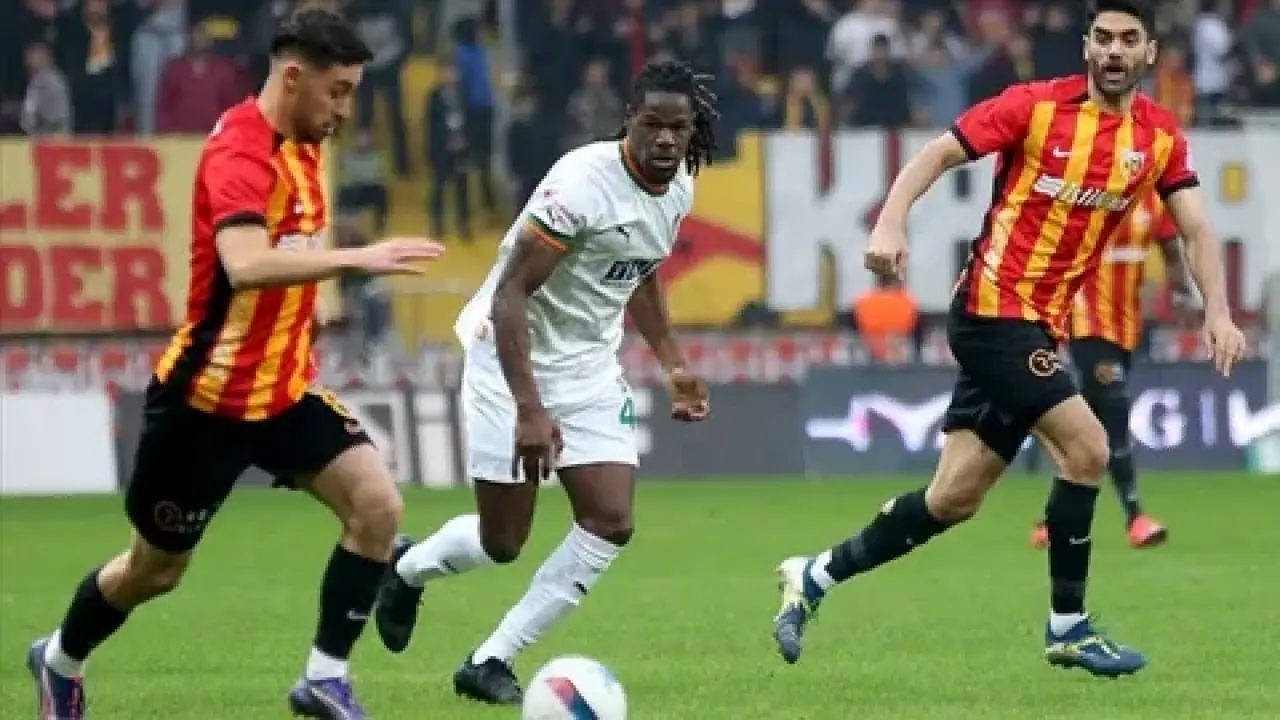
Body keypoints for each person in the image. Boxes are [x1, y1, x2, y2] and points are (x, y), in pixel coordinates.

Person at [771, 0, 1246, 678]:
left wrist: (1217, 312)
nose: (1114, 50)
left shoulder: (1159, 136)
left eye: (1128, 39)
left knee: (953, 498)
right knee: (1088, 447)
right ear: (1086, 46)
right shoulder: (1035, 107)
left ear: (1149, 52)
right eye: (1103, 37)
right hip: (991, 310)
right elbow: (938, 152)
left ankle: (813, 575)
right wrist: (890, 221)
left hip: (1039, 324)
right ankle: (1069, 627)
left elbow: (1196, 228)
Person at [25, 10, 444, 720]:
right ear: (293, 76)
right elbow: (245, 264)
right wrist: (357, 258)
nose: (344, 110)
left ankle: (324, 679)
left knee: (377, 507)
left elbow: (291, 251)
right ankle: (60, 659)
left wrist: (316, 303)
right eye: (338, 91)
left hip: (280, 391)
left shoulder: (307, 145)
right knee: (155, 570)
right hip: (206, 401)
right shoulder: (240, 152)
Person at [374, 59, 718, 706]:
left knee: (611, 520)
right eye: (653, 124)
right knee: (502, 542)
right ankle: (406, 569)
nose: (666, 139)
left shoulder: (679, 186)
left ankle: (490, 658)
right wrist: (529, 409)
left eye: (679, 127)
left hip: (589, 367)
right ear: (628, 120)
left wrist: (673, 362)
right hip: (510, 358)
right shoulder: (581, 186)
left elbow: (640, 268)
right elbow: (511, 293)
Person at [1029, 191, 1191, 550]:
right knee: (1115, 409)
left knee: (1089, 429)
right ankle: (1136, 518)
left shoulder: (1152, 202)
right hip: (1087, 324)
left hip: (1126, 328)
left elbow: (1170, 246)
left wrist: (1180, 289)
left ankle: (1051, 522)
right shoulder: (1089, 192)